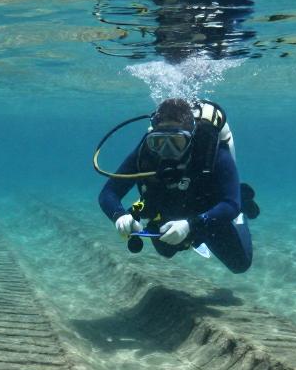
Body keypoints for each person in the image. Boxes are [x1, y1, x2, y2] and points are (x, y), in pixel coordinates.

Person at [97, 97, 256, 274]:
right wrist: (119, 216)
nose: (166, 151)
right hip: (170, 205)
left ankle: (240, 210)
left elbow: (231, 204)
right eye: (159, 142)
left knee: (240, 264)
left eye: (176, 142)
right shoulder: (146, 152)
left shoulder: (210, 151)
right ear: (152, 137)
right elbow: (109, 193)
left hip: (208, 208)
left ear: (191, 138)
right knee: (166, 251)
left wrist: (191, 225)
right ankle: (192, 237)